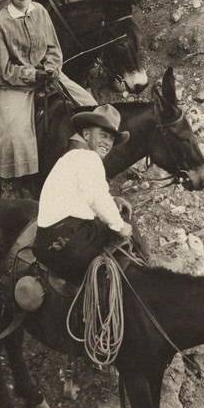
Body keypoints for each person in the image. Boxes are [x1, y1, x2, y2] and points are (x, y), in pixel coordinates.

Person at [0, 0, 97, 198]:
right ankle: (19, 184)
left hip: (48, 74)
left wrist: (52, 68)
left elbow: (53, 47)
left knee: (89, 104)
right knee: (15, 134)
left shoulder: (41, 12)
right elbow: (3, 69)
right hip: (16, 84)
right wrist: (32, 75)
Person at [34, 105, 133, 278]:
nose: (107, 143)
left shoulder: (73, 157)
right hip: (68, 240)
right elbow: (98, 199)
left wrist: (112, 200)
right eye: (103, 135)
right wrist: (121, 226)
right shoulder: (89, 157)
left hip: (46, 238)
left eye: (111, 139)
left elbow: (87, 194)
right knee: (122, 237)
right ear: (87, 135)